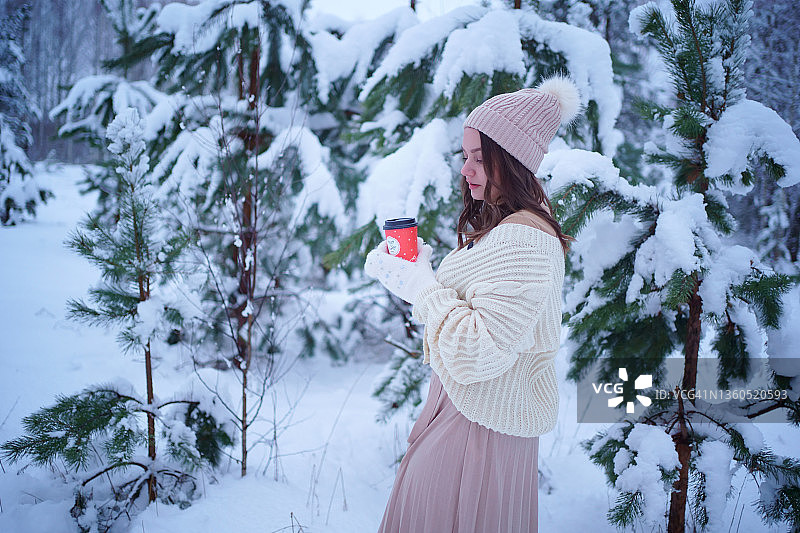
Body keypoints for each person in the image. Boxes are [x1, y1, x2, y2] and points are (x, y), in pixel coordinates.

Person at [364, 75, 580, 533]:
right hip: (464, 417)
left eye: (479, 158)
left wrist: (423, 288)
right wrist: (413, 276)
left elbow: (477, 350)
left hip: (478, 433)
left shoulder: (526, 239)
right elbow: (467, 313)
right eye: (465, 157)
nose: (466, 170)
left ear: (513, 159)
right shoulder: (504, 229)